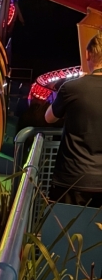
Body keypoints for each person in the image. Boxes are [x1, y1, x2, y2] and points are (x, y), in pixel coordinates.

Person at [45, 32, 102, 206]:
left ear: (87, 54)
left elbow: (49, 118)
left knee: (64, 223)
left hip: (71, 179)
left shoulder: (72, 88)